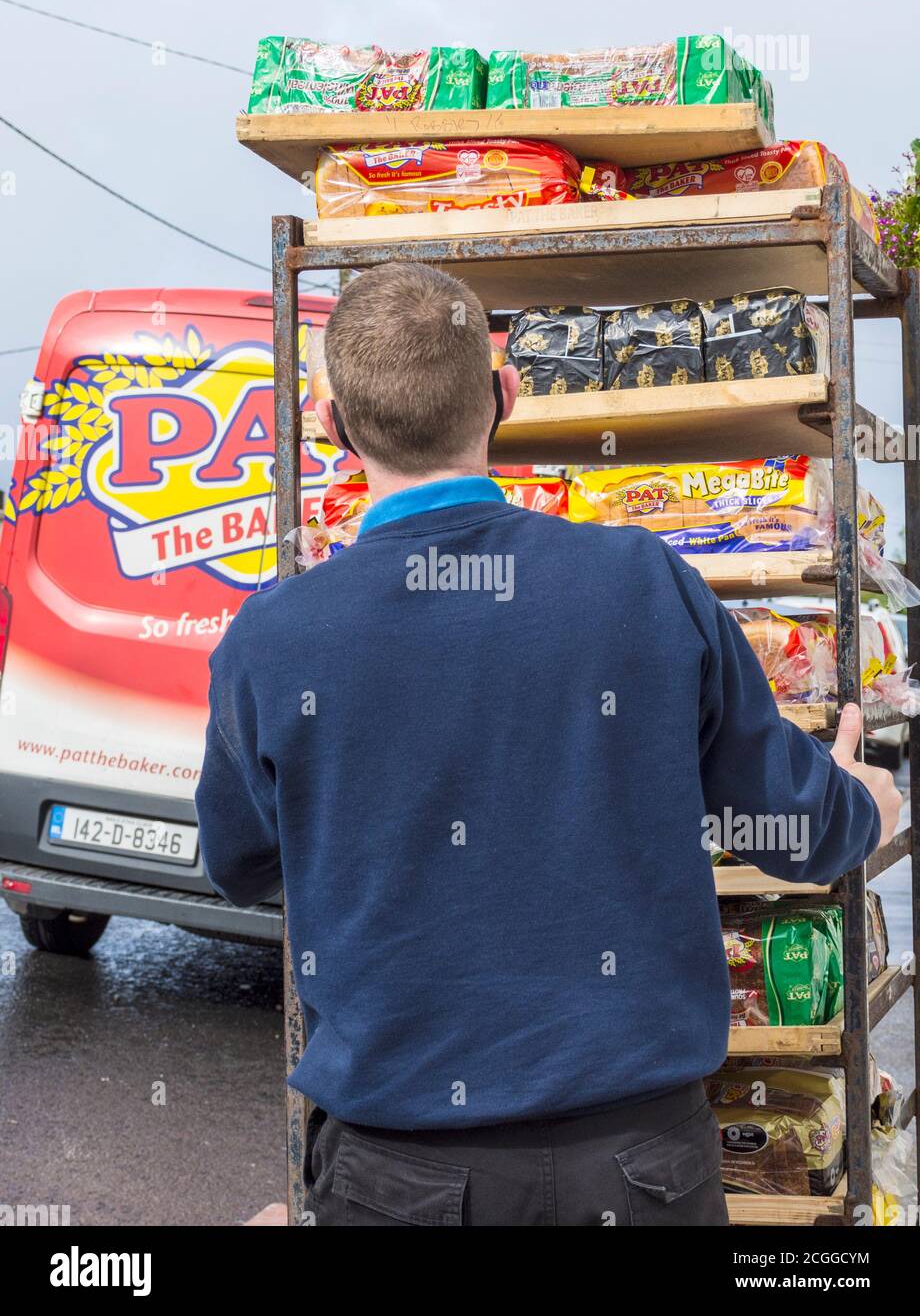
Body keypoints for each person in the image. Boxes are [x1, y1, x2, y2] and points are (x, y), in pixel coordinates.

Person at [196, 262, 900, 1228]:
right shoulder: (641, 582)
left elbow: (239, 865)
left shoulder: (270, 641)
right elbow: (793, 833)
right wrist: (866, 794)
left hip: (396, 1182)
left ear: (333, 427)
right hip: (642, 1170)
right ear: (505, 396)